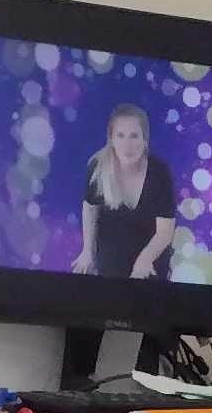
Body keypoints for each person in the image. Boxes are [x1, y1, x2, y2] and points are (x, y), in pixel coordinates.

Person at [78, 102, 183, 281]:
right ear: (111, 139)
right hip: (113, 245)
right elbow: (90, 209)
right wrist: (88, 251)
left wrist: (145, 259)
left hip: (152, 244)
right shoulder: (97, 167)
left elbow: (165, 230)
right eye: (120, 136)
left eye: (134, 136)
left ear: (145, 139)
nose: (128, 145)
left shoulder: (160, 171)